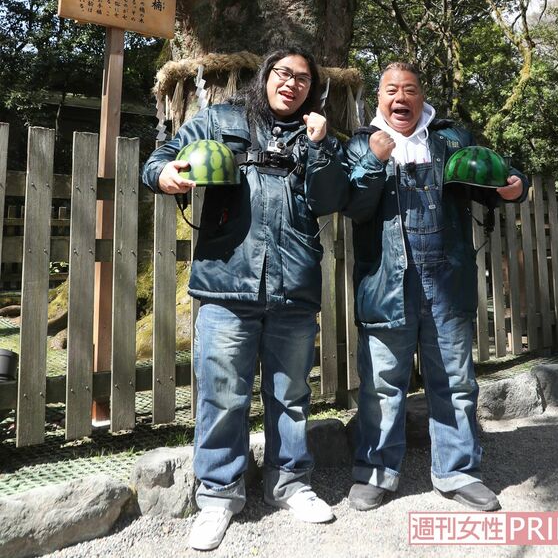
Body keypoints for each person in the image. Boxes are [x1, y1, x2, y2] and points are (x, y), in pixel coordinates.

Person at [142, 48, 349, 551]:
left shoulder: (318, 134)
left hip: (293, 286)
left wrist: (320, 148)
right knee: (222, 394)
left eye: (302, 78)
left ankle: (291, 484)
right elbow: (159, 162)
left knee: (291, 394)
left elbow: (331, 198)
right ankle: (217, 496)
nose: (291, 83)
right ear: (265, 76)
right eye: (282, 73)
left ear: (312, 88)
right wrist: (166, 176)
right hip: (224, 282)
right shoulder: (220, 118)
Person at [344, 62, 528, 513]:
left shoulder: (452, 140)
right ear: (379, 100)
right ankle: (376, 472)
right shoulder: (356, 143)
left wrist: (514, 187)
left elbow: (496, 176)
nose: (400, 97)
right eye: (391, 90)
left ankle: (458, 471)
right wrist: (374, 158)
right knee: (383, 383)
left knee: (455, 381)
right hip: (386, 281)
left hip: (447, 278)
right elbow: (353, 205)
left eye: (409, 90)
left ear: (422, 97)